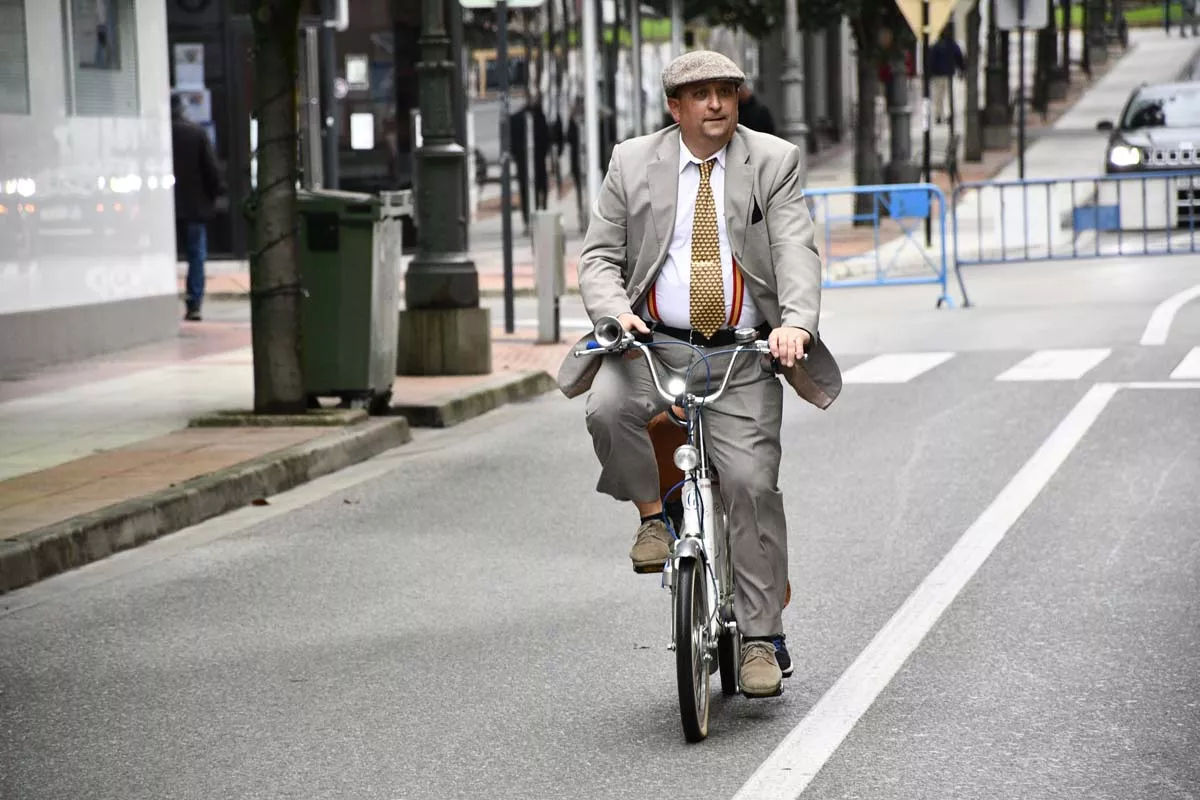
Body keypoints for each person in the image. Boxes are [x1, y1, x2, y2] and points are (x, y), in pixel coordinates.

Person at [555, 51, 842, 698]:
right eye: (699, 94)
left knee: (751, 483)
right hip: (651, 346)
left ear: (738, 99)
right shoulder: (632, 162)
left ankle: (763, 641)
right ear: (674, 107)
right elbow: (600, 256)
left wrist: (795, 322)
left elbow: (796, 246)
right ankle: (655, 516)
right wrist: (616, 313)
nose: (715, 103)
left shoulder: (772, 160)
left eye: (725, 91)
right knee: (606, 409)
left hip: (743, 351)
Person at [171, 93, 224, 322]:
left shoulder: (160, 135)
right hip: (194, 206)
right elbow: (212, 171)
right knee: (196, 255)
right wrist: (212, 196)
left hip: (167, 208)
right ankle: (194, 303)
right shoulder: (196, 133)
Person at [928, 29, 965, 124]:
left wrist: (930, 73)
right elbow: (959, 58)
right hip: (949, 74)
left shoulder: (935, 46)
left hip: (937, 75)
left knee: (938, 97)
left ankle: (939, 115)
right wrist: (961, 70)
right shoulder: (953, 45)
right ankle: (948, 115)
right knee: (948, 96)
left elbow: (931, 60)